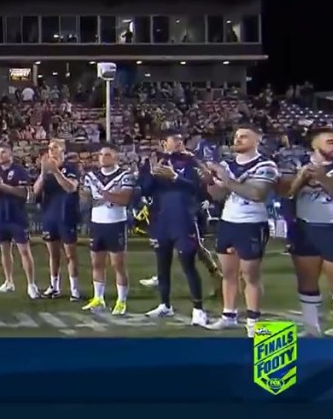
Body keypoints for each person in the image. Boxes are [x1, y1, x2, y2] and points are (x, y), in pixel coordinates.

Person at [205, 125, 280, 336]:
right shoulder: (226, 164)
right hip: (228, 222)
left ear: (257, 139)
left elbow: (256, 194)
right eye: (236, 136)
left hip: (252, 224)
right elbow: (217, 196)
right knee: (228, 274)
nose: (237, 140)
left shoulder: (266, 165)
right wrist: (209, 181)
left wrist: (226, 179)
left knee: (250, 276)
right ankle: (228, 315)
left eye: (244, 136)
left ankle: (253, 322)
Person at [138, 131, 208, 324]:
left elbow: (199, 189)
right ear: (163, 143)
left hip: (183, 219)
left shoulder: (190, 161)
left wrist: (176, 177)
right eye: (175, 139)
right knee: (162, 264)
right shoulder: (151, 162)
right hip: (161, 220)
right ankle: (165, 305)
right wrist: (152, 175)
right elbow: (145, 190)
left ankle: (198, 310)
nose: (179, 142)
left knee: (188, 263)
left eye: (180, 139)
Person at [281, 127, 333, 336]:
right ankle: (311, 329)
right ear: (315, 145)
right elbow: (285, 193)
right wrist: (300, 178)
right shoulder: (296, 163)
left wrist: (324, 179)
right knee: (306, 280)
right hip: (304, 227)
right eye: (331, 142)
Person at [81, 144, 135, 315]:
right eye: (101, 155)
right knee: (96, 263)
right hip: (97, 223)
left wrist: (104, 195)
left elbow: (124, 199)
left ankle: (121, 300)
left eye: (107, 154)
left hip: (116, 223)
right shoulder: (91, 176)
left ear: (116, 156)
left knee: (118, 265)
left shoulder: (125, 175)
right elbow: (86, 198)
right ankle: (98, 297)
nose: (103, 158)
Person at [33, 139, 81, 300]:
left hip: (66, 215)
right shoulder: (46, 170)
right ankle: (54, 286)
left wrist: (55, 172)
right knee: (53, 254)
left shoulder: (70, 168)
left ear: (63, 150)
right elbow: (35, 191)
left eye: (55, 147)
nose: (51, 150)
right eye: (49, 148)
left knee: (70, 254)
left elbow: (71, 187)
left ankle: (74, 289)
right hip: (50, 215)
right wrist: (42, 173)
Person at [0, 145, 38, 297]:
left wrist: (3, 186)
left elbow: (23, 193)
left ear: (10, 155)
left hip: (16, 216)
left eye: (3, 152)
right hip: (0, 215)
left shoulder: (19, 171)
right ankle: (8, 281)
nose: (0, 155)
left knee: (24, 250)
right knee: (4, 250)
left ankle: (31, 284)